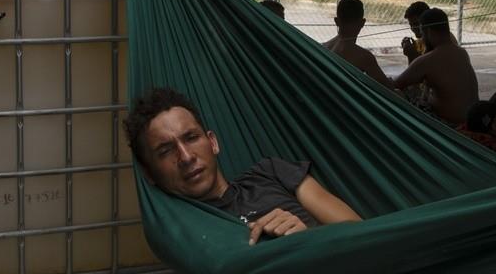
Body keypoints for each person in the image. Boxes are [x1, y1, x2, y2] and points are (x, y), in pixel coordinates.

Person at [123, 87, 362, 244]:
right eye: (166, 151)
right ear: (149, 173)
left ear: (213, 142)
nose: (186, 157)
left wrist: (306, 237)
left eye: (191, 138)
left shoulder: (271, 172)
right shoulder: (189, 230)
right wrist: (302, 247)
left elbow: (359, 233)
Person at [392, 7, 479, 125]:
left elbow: (396, 84)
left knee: (397, 93)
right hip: (471, 119)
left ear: (427, 31)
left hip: (449, 124)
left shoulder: (428, 60)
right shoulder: (461, 52)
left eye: (422, 32)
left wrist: (411, 56)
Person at [322, 0, 392, 87]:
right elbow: (387, 88)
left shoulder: (323, 48)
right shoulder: (364, 57)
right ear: (363, 23)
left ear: (336, 21)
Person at [401, 1, 430, 65]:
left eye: (416, 24)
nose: (413, 28)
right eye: (411, 25)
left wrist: (412, 55)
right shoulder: (421, 42)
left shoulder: (438, 42)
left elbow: (418, 73)